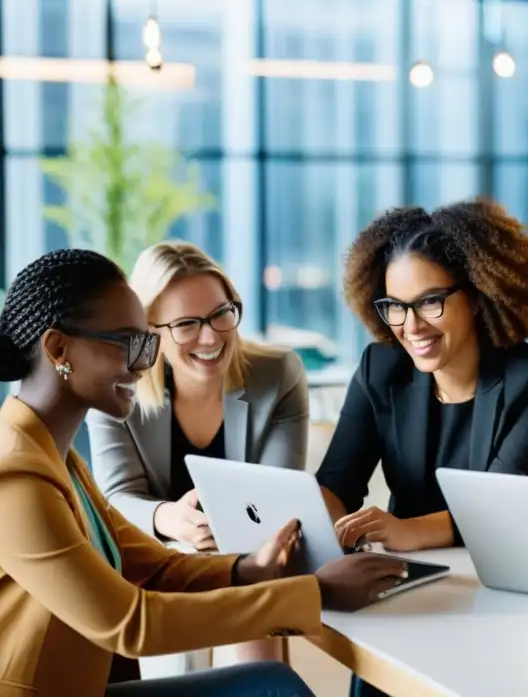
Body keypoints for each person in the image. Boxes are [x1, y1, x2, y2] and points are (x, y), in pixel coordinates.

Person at [0, 249, 409, 696]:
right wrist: (317, 593)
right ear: (59, 348)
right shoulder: (16, 478)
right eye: (127, 343)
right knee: (273, 688)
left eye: (146, 343)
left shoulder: (57, 458)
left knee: (272, 682)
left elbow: (156, 569)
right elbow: (134, 624)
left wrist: (249, 569)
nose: (142, 365)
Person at [317, 200, 528, 697]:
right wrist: (313, 521)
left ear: (477, 295)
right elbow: (337, 484)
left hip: (491, 596)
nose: (411, 326)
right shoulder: (379, 368)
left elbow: (500, 509)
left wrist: (407, 531)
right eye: (394, 306)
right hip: (399, 592)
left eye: (430, 301)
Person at [87, 241, 310, 666]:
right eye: (186, 324)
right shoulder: (116, 387)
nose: (210, 336)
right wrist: (168, 518)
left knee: (251, 596)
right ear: (149, 330)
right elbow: (114, 498)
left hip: (249, 550)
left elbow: (277, 497)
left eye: (221, 314)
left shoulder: (277, 375)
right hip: (156, 555)